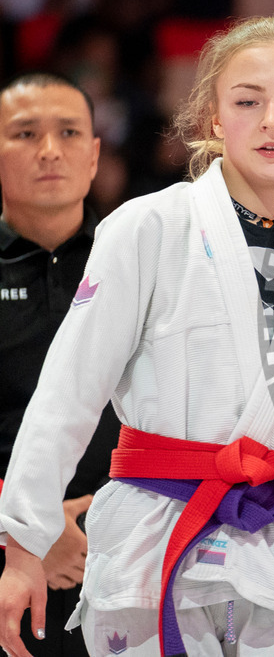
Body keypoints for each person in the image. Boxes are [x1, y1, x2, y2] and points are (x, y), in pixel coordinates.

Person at [0, 16, 274, 657]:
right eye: (247, 102)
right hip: (153, 544)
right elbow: (68, 391)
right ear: (213, 118)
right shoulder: (146, 228)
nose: (272, 120)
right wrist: (22, 547)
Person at [0, 72, 122, 656]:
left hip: (131, 544)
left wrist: (115, 515)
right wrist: (26, 534)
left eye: (69, 132)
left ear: (94, 155)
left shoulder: (137, 264)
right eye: (25, 133)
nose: (50, 150)